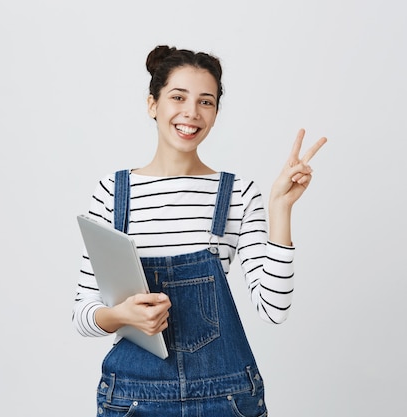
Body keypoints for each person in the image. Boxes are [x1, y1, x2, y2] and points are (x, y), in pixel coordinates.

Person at [72, 44, 327, 417]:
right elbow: (84, 312)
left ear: (216, 112)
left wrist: (280, 210)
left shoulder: (238, 193)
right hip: (133, 400)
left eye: (206, 101)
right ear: (152, 104)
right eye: (178, 97)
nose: (191, 112)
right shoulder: (113, 192)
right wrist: (124, 315)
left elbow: (275, 309)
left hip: (226, 398)